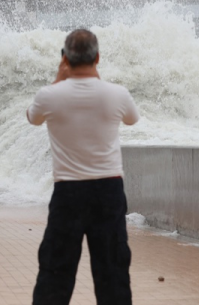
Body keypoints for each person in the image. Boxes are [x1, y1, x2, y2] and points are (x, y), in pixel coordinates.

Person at [27, 29, 140, 305]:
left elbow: (32, 118)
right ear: (98, 57)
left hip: (68, 194)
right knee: (113, 274)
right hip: (109, 191)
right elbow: (132, 120)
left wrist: (58, 78)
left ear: (64, 58)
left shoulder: (48, 96)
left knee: (55, 273)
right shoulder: (117, 94)